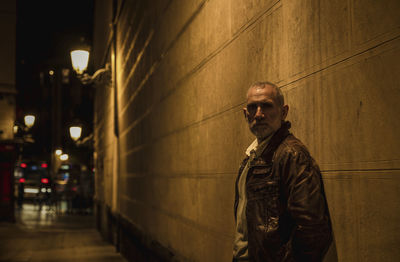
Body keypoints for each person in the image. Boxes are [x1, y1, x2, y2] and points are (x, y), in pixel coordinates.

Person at [233, 82, 332, 261]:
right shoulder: (252, 157)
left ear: (283, 111)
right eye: (252, 107)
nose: (259, 114)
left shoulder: (291, 155)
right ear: (245, 114)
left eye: (267, 105)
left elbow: (313, 229)